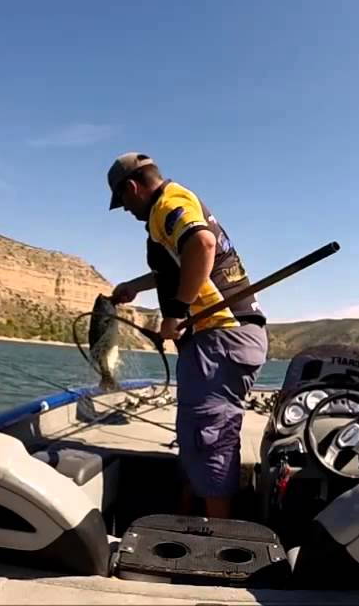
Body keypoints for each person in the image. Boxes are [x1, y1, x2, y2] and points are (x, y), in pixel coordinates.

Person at [105, 152, 267, 519]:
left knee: (210, 441)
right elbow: (182, 261)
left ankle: (214, 539)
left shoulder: (168, 205)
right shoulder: (175, 207)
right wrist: (137, 285)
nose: (127, 211)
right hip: (221, 342)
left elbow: (202, 245)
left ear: (132, 188)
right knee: (197, 438)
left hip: (220, 339)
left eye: (124, 202)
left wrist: (176, 312)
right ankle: (189, 518)